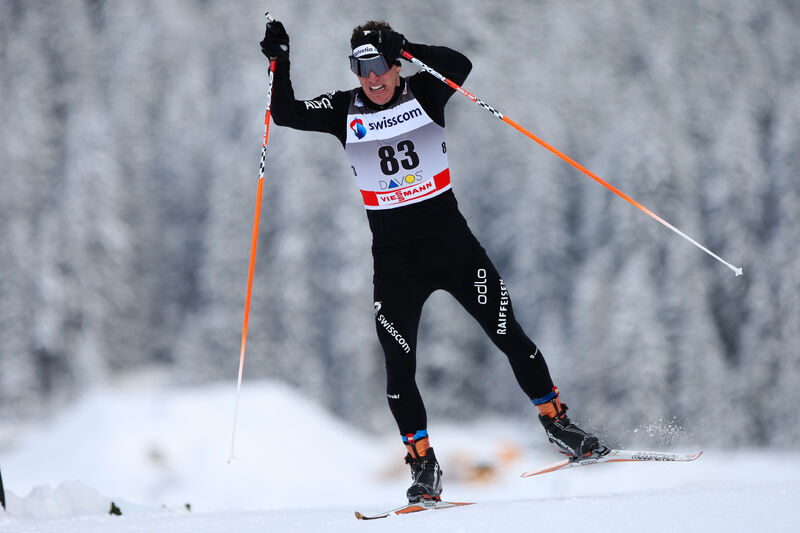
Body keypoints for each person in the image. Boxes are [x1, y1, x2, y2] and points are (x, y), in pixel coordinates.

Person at [260, 18, 601, 503]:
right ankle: (423, 466)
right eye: (361, 68)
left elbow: (460, 64)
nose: (372, 78)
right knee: (399, 370)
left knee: (509, 334)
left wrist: (407, 45)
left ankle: (558, 425)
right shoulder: (343, 109)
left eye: (379, 65)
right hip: (397, 265)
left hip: (454, 249)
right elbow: (285, 111)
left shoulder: (425, 91)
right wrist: (281, 60)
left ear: (395, 65)